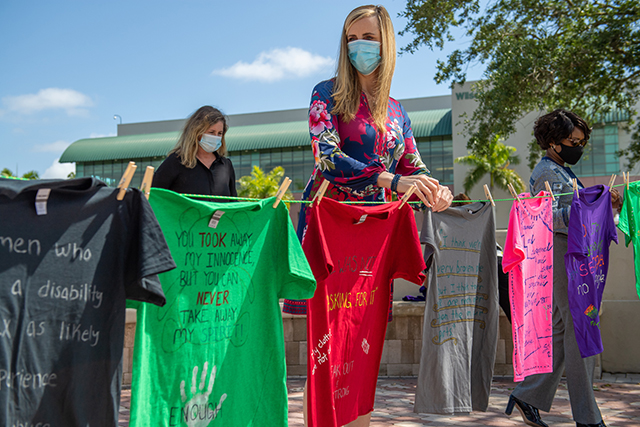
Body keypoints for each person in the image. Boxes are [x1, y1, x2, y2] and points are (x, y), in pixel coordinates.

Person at [282, 5, 453, 426]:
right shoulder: (326, 94)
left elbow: (413, 165)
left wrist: (435, 188)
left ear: (387, 43)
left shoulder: (397, 111)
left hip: (376, 233)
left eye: (370, 37)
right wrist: (391, 181)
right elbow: (327, 158)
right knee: (327, 338)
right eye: (352, 36)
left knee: (364, 333)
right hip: (330, 224)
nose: (359, 44)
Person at [505, 109, 620, 427]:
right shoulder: (547, 172)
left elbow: (577, 210)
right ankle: (587, 417)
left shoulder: (562, 171)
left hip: (569, 258)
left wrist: (603, 205)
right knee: (581, 331)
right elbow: (549, 216)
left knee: (562, 331)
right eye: (574, 141)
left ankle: (528, 396)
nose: (579, 147)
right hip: (560, 258)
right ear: (554, 142)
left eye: (582, 142)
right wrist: (591, 207)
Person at [152, 106, 237, 198]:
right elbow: (154, 196)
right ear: (196, 132)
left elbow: (233, 202)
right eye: (211, 132)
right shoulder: (176, 161)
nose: (216, 137)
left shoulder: (226, 165)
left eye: (219, 133)